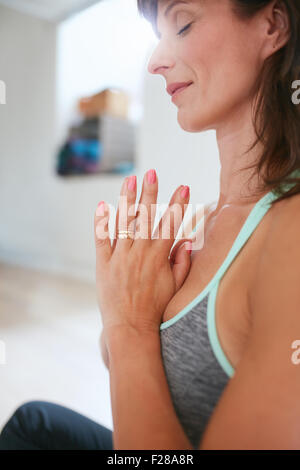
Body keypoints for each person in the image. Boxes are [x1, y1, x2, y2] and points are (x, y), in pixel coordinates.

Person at [1, 0, 300, 450]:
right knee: (35, 424)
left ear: (272, 26)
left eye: (182, 25)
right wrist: (126, 302)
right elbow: (120, 356)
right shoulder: (204, 219)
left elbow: (125, 343)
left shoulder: (290, 234)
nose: (156, 61)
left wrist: (130, 328)